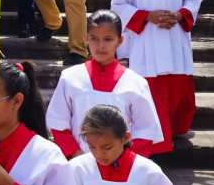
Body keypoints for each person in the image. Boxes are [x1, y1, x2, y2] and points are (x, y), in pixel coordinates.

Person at [110, 0, 204, 153]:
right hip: (147, 39)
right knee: (151, 90)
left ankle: (174, 130)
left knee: (177, 89)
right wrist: (147, 16)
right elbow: (119, 5)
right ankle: (152, 142)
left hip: (175, 37)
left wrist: (181, 14)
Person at [47, 11, 163, 159]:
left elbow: (146, 131)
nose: (100, 45)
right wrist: (78, 157)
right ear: (87, 38)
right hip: (77, 164)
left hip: (120, 167)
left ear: (120, 41)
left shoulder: (135, 82)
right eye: (94, 39)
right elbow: (58, 124)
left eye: (108, 39)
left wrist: (124, 162)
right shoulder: (70, 77)